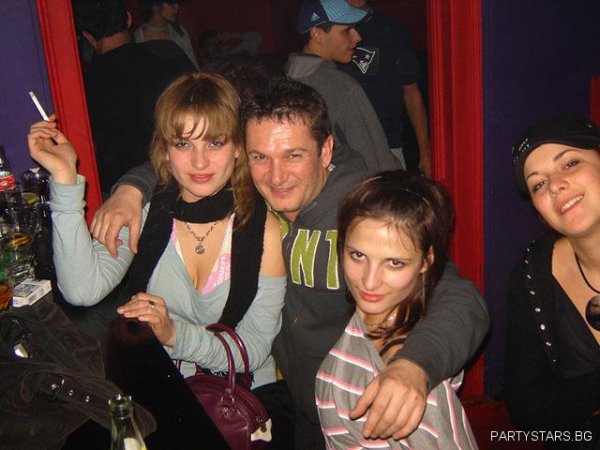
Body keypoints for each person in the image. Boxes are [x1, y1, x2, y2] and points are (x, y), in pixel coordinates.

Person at [92, 78, 489, 449]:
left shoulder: (362, 211)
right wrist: (132, 188)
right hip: (296, 409)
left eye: (293, 155)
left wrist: (414, 367)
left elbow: (459, 297)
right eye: (260, 157)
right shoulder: (253, 198)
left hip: (360, 413)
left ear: (326, 151)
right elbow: (188, 157)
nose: (276, 176)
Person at [27, 72, 286, 435]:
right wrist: (64, 178)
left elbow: (254, 348)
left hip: (243, 403)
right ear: (165, 150)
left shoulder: (263, 228)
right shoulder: (146, 215)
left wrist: (174, 334)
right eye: (183, 144)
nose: (199, 162)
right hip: (166, 391)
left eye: (214, 143)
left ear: (238, 148)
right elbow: (81, 289)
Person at [316, 170, 476, 448]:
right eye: (357, 255)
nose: (369, 281)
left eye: (394, 263)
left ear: (426, 261)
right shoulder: (368, 322)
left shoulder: (406, 388)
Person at [505, 114, 600, 447]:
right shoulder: (533, 274)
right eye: (538, 184)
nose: (555, 185)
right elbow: (527, 411)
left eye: (570, 163)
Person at [72, 0, 195, 195]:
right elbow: (204, 106)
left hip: (120, 191)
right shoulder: (166, 53)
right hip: (180, 177)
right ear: (128, 19)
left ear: (87, 36)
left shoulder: (85, 85)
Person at [287, 0, 401, 171]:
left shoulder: (282, 78)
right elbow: (377, 161)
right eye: (347, 31)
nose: (357, 37)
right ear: (317, 34)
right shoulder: (341, 86)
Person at [339, 0, 432, 176]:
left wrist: (425, 153)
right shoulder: (328, 27)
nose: (354, 38)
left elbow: (412, 93)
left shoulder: (391, 30)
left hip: (387, 143)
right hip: (341, 147)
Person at [134, 0, 199, 69]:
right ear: (155, 7)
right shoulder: (137, 38)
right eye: (171, 3)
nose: (177, 7)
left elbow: (193, 67)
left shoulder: (179, 32)